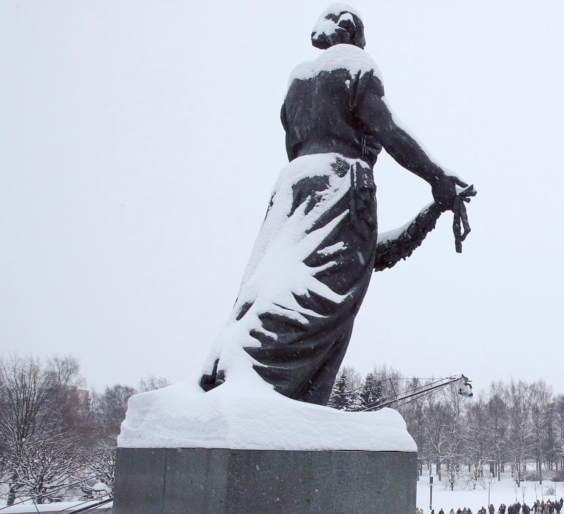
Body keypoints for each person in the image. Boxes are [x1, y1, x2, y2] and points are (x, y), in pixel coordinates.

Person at [199, 5, 472, 403]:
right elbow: (388, 129)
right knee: (318, 297)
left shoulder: (296, 83)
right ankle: (257, 384)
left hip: (291, 188)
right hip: (343, 181)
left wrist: (431, 211)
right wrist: (436, 177)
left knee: (277, 283)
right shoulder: (354, 66)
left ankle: (236, 368)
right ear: (355, 36)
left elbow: (369, 257)